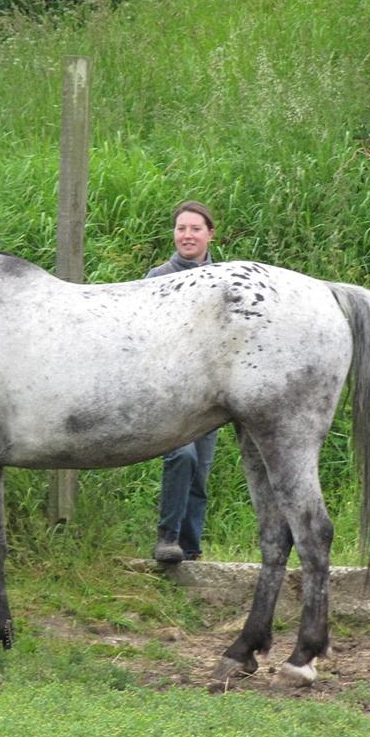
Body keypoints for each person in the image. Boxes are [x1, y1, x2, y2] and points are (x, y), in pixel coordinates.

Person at [147, 200, 220, 563]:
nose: (186, 235)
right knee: (182, 456)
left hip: (211, 395)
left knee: (200, 474)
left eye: (194, 229)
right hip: (169, 394)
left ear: (210, 233)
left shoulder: (226, 279)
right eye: (181, 229)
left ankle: (191, 550)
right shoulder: (157, 278)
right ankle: (167, 539)